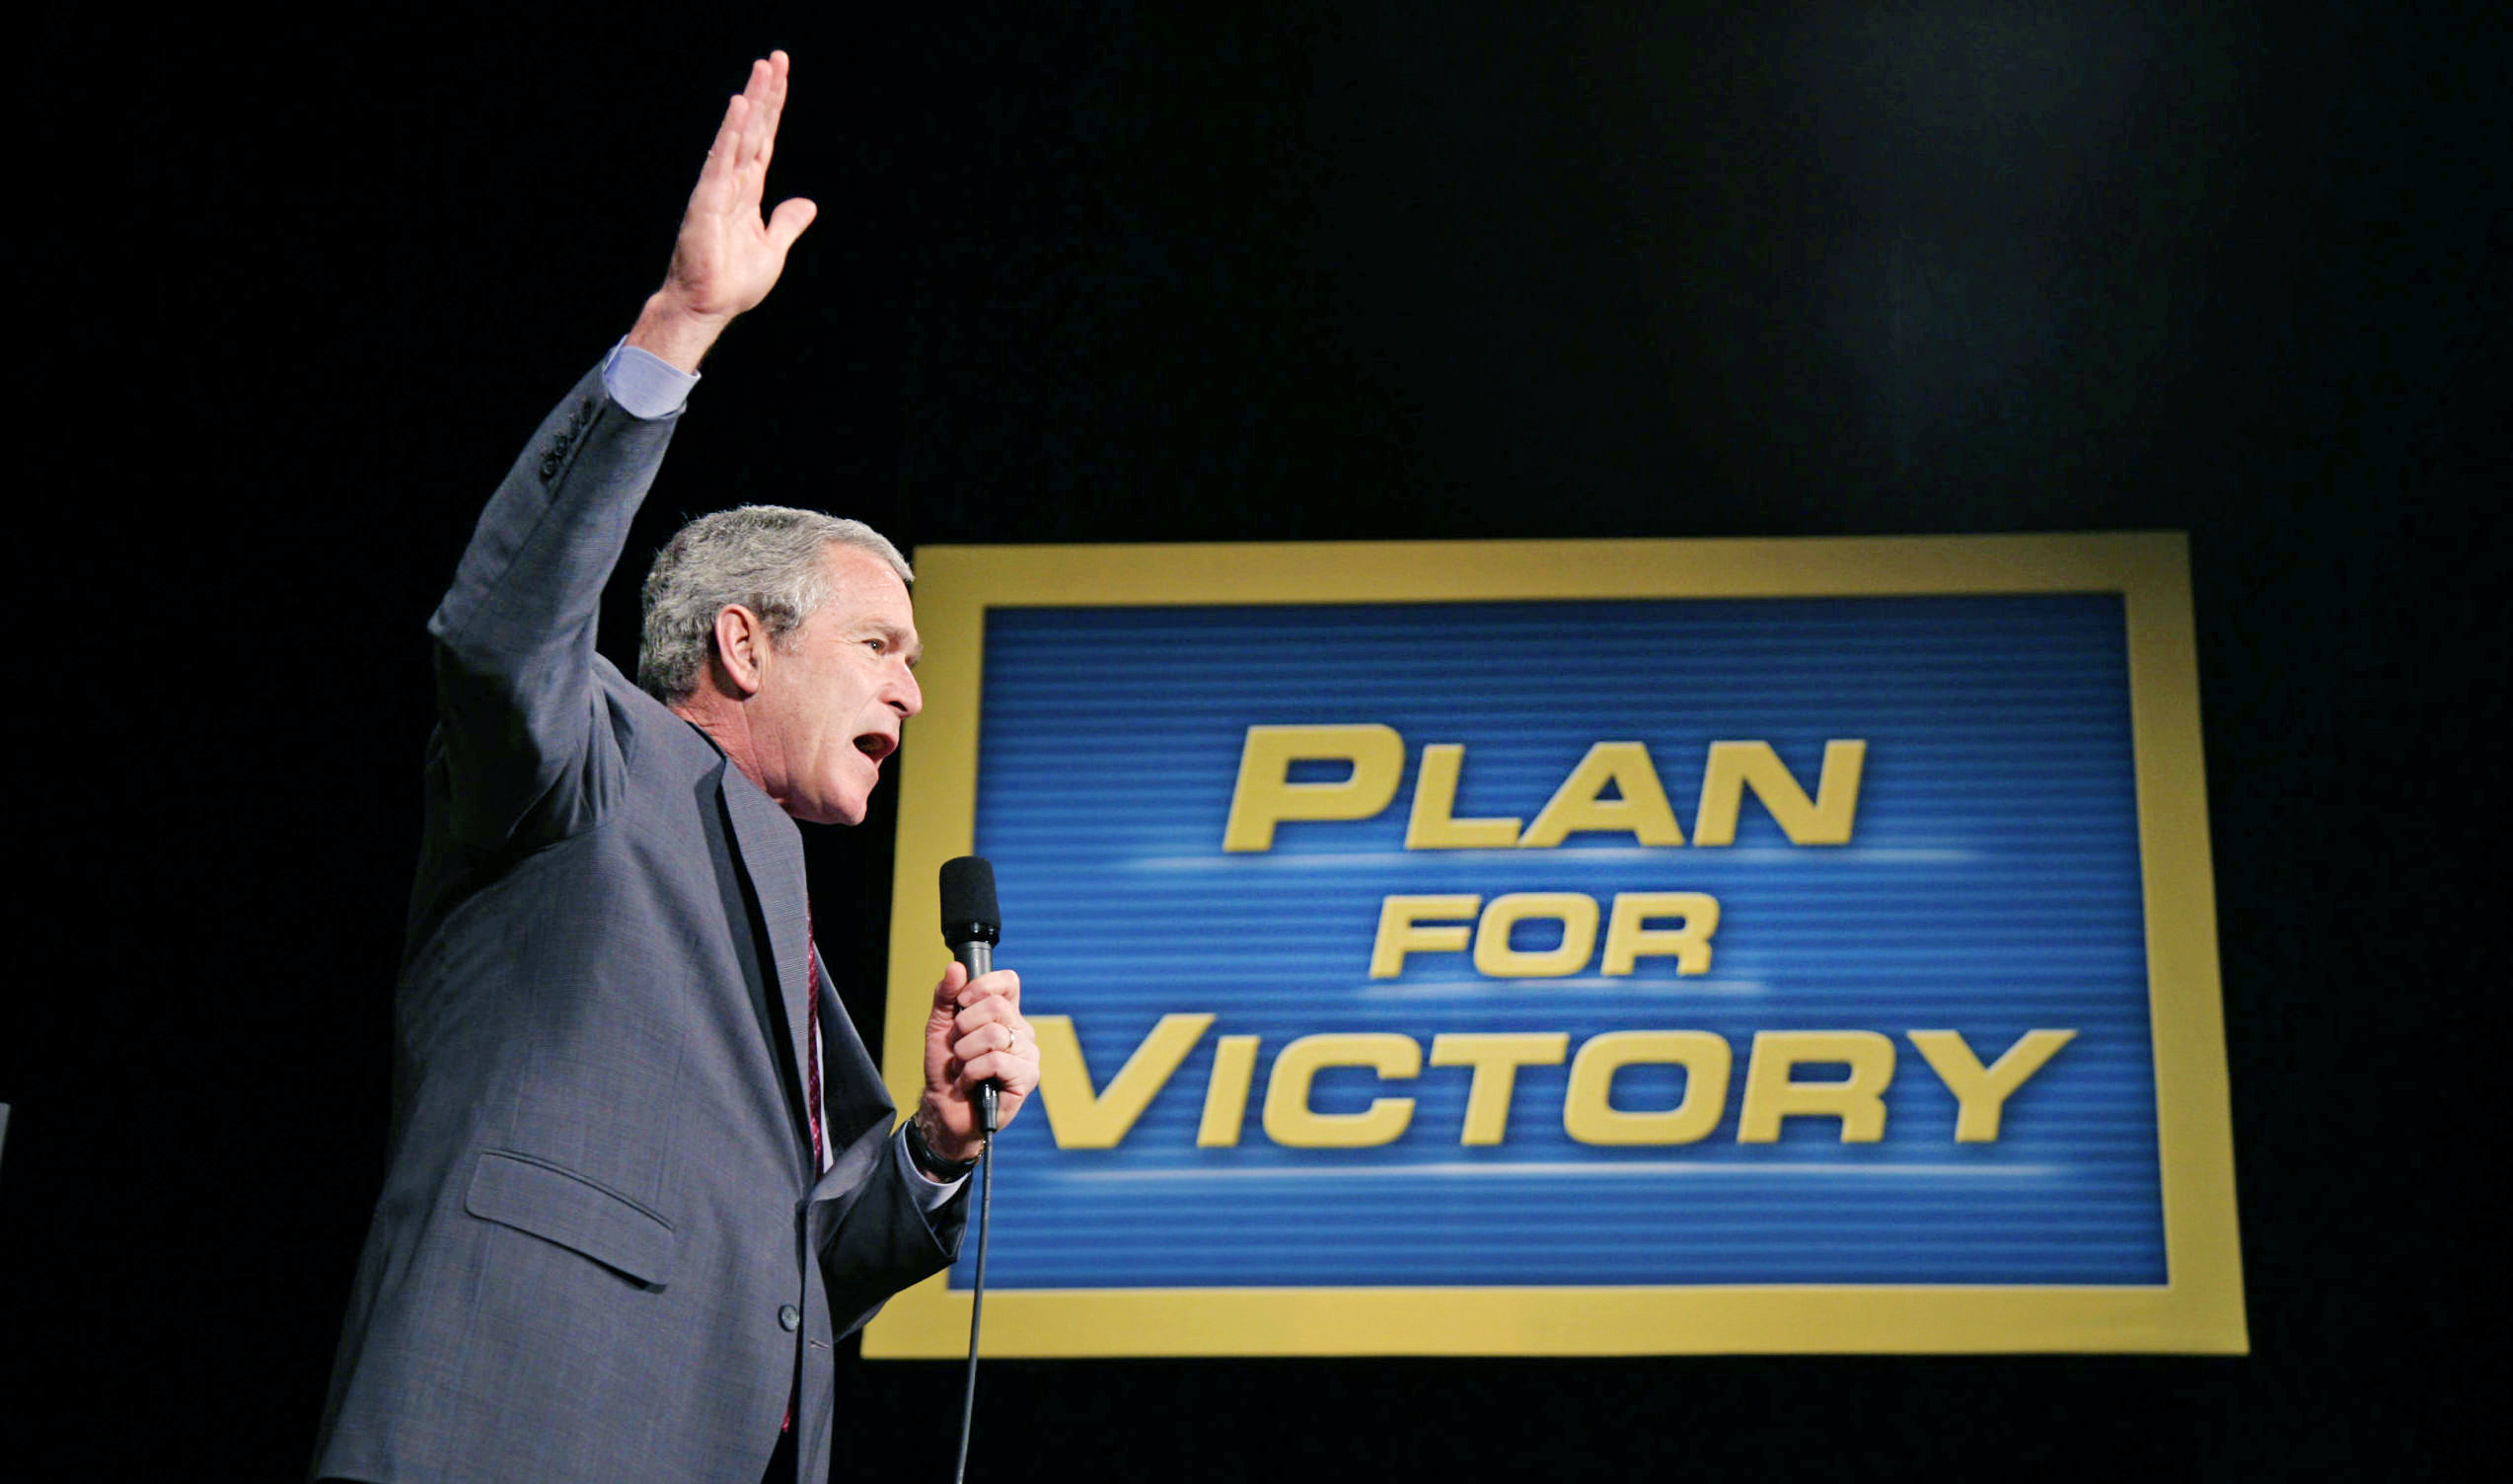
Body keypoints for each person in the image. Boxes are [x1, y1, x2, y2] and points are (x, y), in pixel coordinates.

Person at [312, 51, 1040, 1484]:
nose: (910, 686)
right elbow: (499, 629)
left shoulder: (778, 915)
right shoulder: (587, 764)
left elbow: (791, 1288)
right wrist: (679, 326)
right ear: (743, 644)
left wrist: (935, 1149)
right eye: (880, 644)